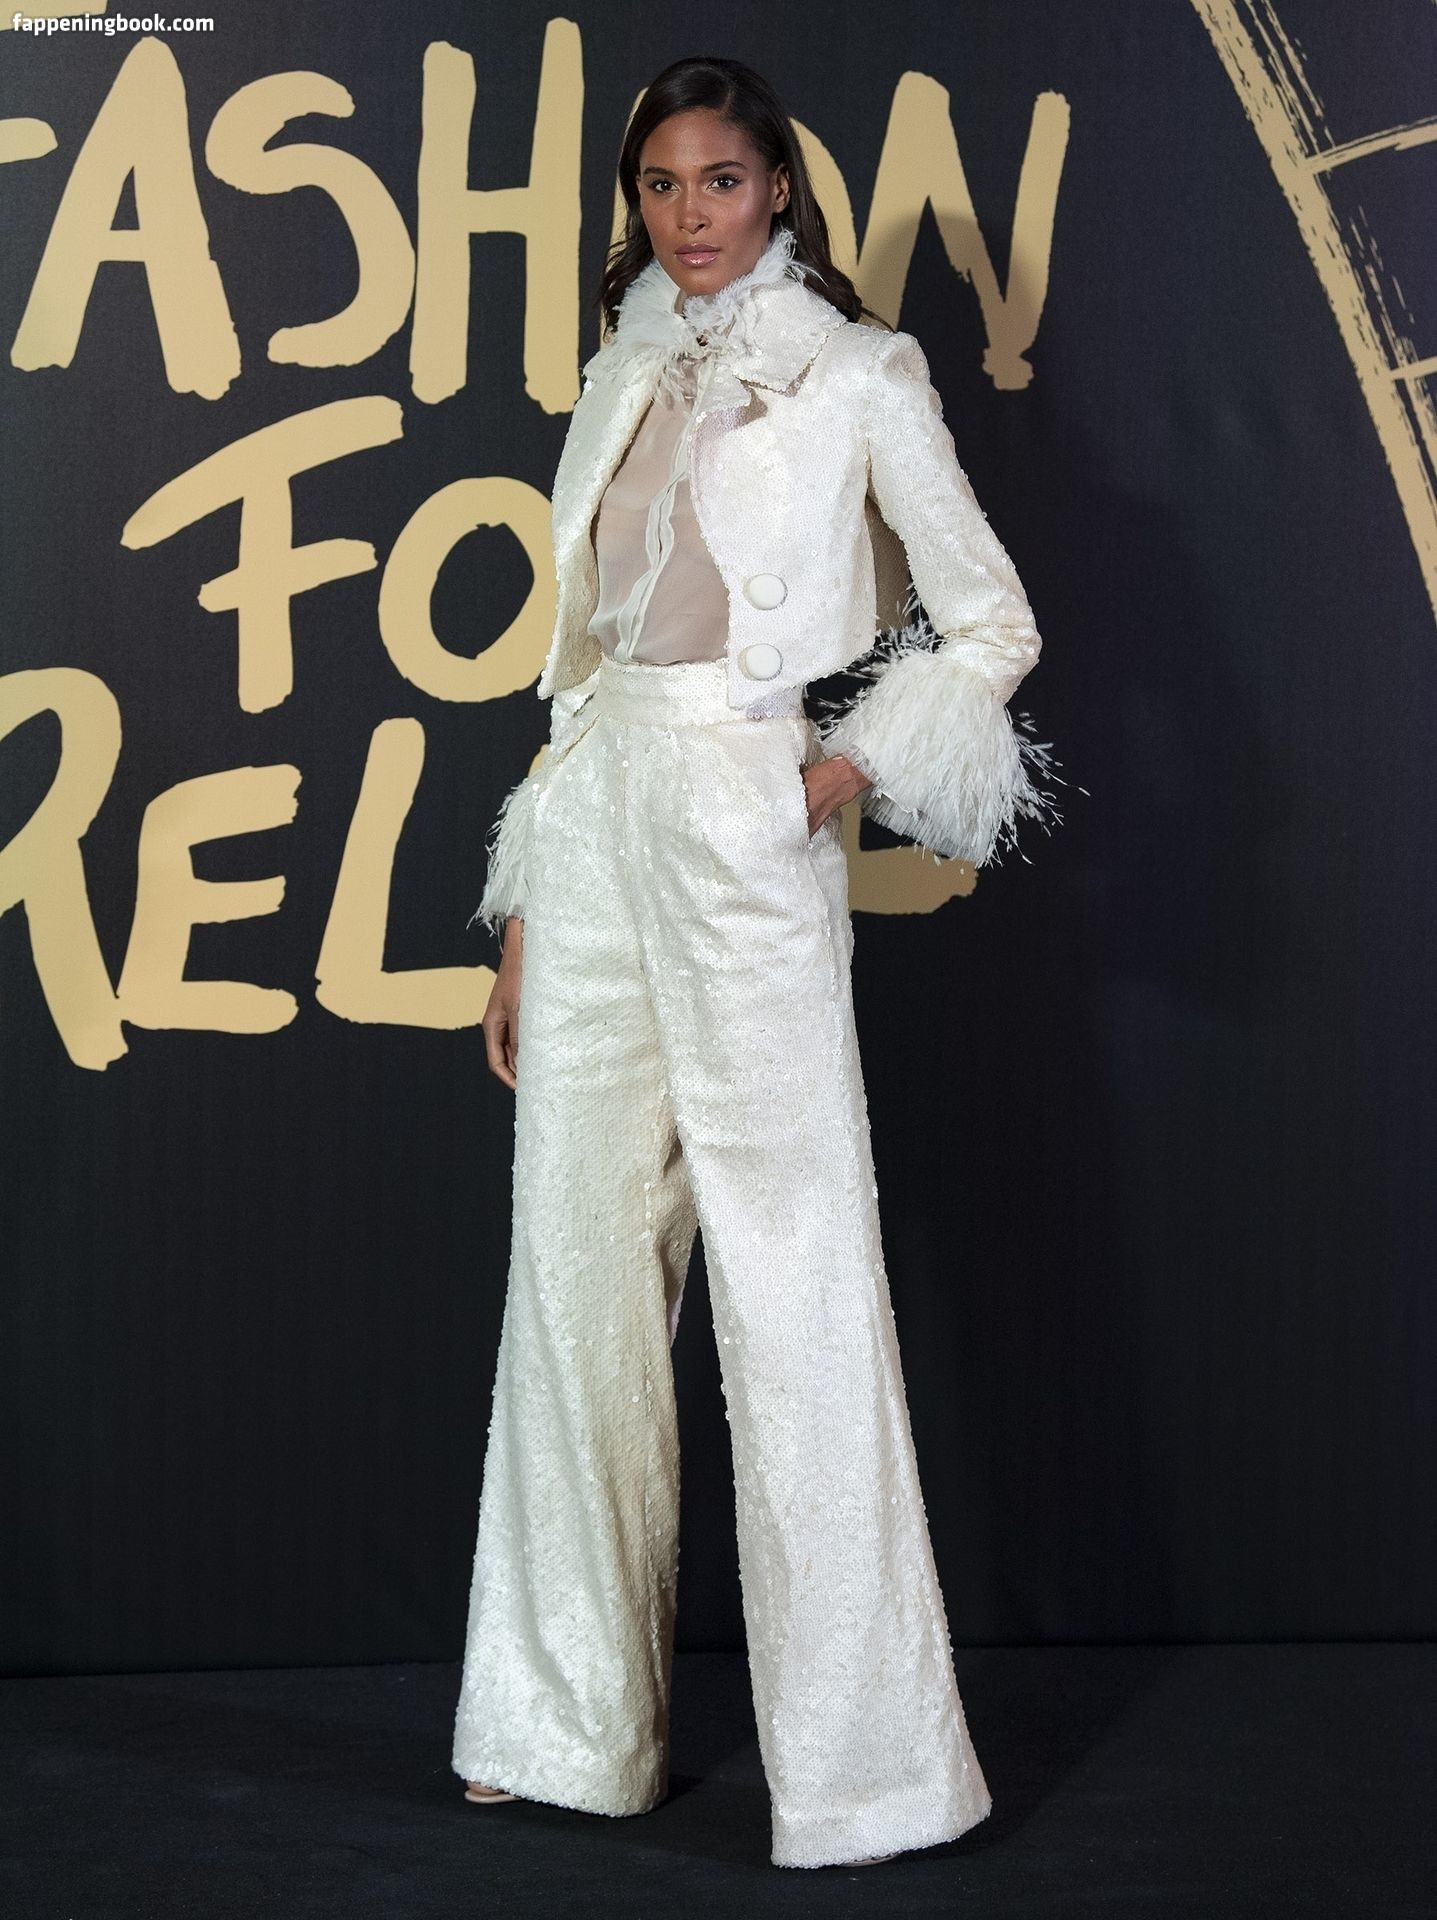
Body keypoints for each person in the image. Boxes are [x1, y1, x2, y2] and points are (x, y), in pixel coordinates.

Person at [451, 54, 1056, 1872]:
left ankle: (867, 1775)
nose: (688, 214)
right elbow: (572, 676)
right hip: (594, 819)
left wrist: (828, 777)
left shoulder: (860, 373)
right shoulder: (619, 367)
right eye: (658, 186)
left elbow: (990, 622)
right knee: (573, 1273)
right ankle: (555, 1727)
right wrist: (525, 915)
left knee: (794, 1282)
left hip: (739, 806)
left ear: (778, 188)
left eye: (719, 180)